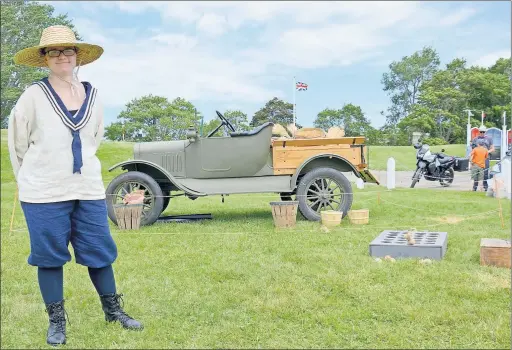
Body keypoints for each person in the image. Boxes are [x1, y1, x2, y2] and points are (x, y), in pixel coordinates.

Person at [7, 25, 143, 346]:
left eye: (67, 50)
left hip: (88, 190)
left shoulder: (93, 96)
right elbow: (18, 145)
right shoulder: (33, 96)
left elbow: (93, 138)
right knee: (50, 257)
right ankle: (56, 322)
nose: (61, 56)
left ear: (77, 56)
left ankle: (113, 311)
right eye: (53, 51)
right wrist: (34, 178)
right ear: (44, 58)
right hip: (43, 193)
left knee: (100, 252)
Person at [471, 125, 494, 191]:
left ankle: (485, 186)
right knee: (476, 172)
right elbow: (473, 149)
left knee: (485, 172)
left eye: (483, 132)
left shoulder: (489, 139)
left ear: (485, 132)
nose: (482, 133)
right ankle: (474, 187)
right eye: (481, 132)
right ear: (479, 131)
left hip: (485, 158)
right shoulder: (475, 139)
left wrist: (486, 152)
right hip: (477, 159)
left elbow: (492, 148)